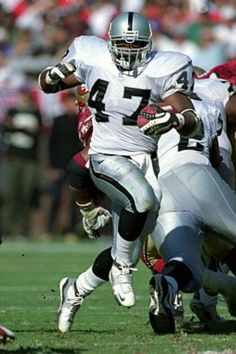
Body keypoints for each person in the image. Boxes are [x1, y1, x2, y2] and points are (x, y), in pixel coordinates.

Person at [38, 11, 202, 332]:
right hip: (106, 155)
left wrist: (175, 120)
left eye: (136, 45)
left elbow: (189, 116)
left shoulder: (164, 66)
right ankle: (123, 270)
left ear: (149, 43)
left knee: (126, 239)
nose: (128, 51)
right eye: (122, 45)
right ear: (109, 43)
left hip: (145, 161)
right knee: (141, 201)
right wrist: (54, 72)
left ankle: (76, 289)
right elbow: (47, 85)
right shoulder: (90, 55)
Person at [140, 96, 236, 334]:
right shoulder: (209, 106)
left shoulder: (148, 109)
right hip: (198, 173)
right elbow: (215, 157)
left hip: (163, 191)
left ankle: (168, 284)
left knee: (184, 264)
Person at [0, 85, 42, 237]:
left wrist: (17, 128)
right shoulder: (12, 111)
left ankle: (23, 230)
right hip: (13, 158)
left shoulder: (35, 112)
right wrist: (24, 130)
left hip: (29, 159)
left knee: (27, 195)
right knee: (10, 194)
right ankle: (6, 229)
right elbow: (6, 129)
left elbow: (37, 134)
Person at [46, 91, 82, 237]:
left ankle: (70, 231)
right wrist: (53, 167)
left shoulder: (80, 121)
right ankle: (49, 230)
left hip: (74, 166)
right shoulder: (58, 121)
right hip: (59, 165)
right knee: (55, 198)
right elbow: (51, 145)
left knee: (74, 201)